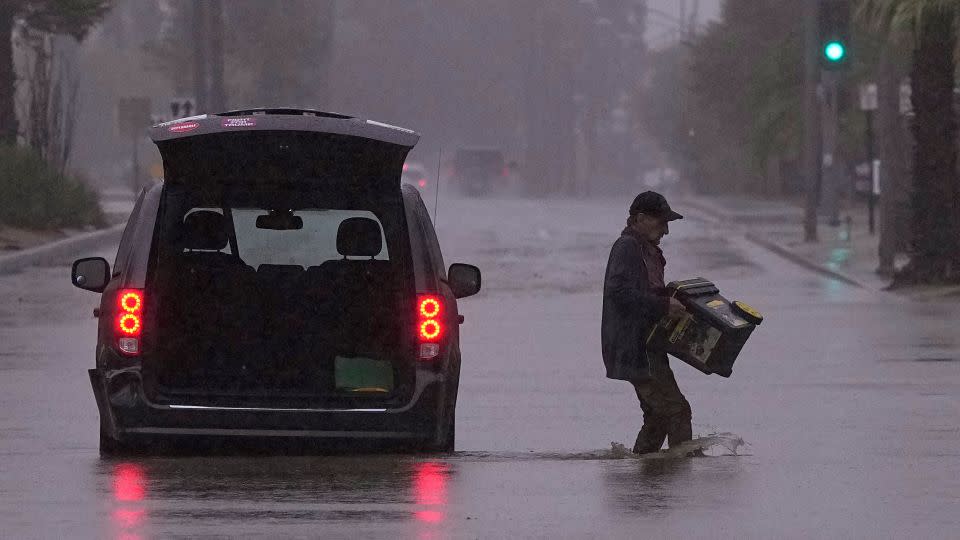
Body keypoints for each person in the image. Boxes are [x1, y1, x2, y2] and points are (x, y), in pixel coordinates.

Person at [601, 191, 692, 454]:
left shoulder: (645, 249)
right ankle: (678, 480)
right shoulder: (627, 247)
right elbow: (618, 292)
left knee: (657, 416)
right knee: (676, 410)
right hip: (636, 348)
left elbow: (644, 291)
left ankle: (646, 473)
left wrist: (672, 298)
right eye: (661, 222)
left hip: (647, 345)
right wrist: (664, 305)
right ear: (640, 219)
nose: (665, 230)